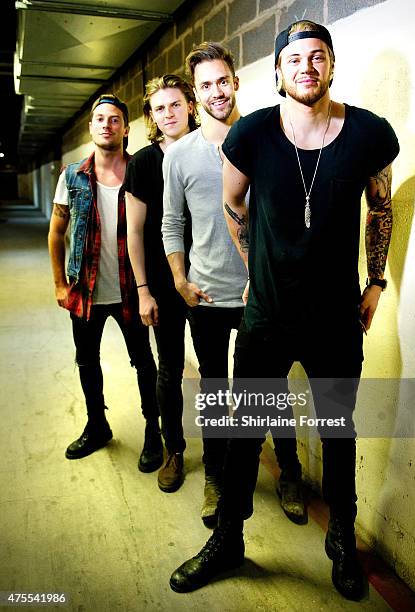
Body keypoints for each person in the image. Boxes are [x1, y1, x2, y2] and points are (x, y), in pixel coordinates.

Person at [169, 21, 399, 601]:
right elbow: (231, 199)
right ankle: (228, 539)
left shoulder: (368, 133)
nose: (306, 67)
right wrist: (254, 270)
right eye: (294, 58)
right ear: (277, 72)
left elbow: (381, 205)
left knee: (337, 431)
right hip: (268, 316)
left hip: (336, 320)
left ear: (331, 66)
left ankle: (341, 538)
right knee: (246, 431)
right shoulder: (251, 134)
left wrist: (375, 281)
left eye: (317, 57)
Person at [162, 42, 305, 528]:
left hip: (262, 292)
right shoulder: (179, 155)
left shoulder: (268, 136)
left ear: (236, 81)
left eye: (223, 80)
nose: (216, 91)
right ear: (196, 93)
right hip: (205, 295)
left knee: (270, 388)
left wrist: (270, 275)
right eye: (205, 85)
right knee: (215, 388)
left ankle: (289, 472)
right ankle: (216, 477)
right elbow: (171, 223)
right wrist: (180, 279)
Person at [48, 94, 162, 470]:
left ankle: (152, 431)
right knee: (86, 362)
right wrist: (60, 284)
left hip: (132, 288)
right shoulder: (72, 176)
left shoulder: (141, 169)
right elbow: (56, 231)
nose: (107, 124)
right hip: (86, 289)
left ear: (126, 129)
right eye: (100, 119)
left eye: (115, 119)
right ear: (91, 127)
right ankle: (97, 426)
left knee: (144, 363)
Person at [125, 74, 199, 492]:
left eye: (175, 104)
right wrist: (144, 291)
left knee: (216, 370)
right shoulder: (144, 163)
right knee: (169, 370)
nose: (168, 113)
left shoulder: (212, 150)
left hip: (207, 281)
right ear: (151, 117)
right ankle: (174, 449)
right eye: (159, 108)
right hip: (162, 282)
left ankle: (226, 455)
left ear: (190, 105)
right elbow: (134, 233)